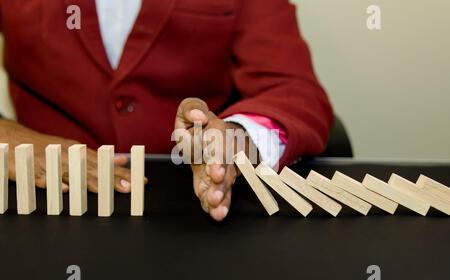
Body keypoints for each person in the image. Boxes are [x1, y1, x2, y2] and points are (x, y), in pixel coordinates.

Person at [0, 0, 333, 221]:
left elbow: (292, 88)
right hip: (40, 208)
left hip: (191, 215)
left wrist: (236, 138)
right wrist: (7, 140)